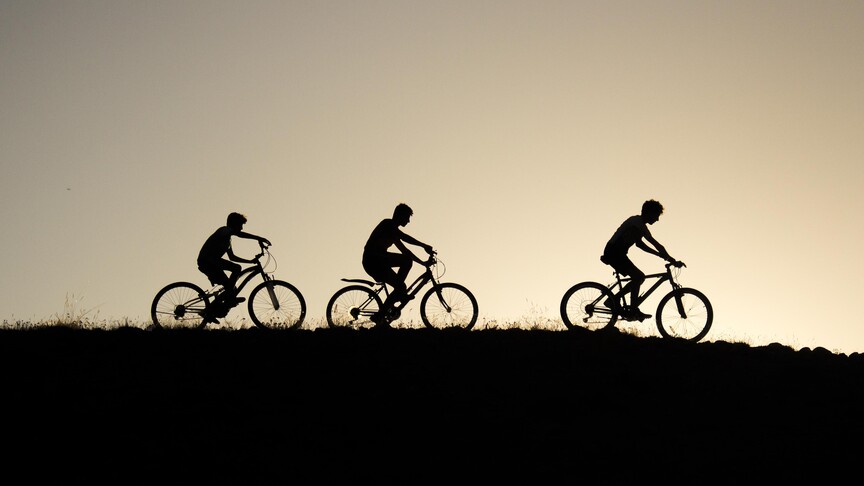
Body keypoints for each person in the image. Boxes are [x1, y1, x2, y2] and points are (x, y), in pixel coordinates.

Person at [601, 199, 680, 320]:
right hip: (614, 253)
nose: (657, 219)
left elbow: (640, 245)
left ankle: (618, 302)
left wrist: (661, 256)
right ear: (649, 213)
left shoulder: (639, 225)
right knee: (638, 277)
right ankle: (629, 308)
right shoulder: (637, 222)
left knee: (639, 277)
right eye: (656, 216)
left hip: (617, 253)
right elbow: (655, 244)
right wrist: (670, 259)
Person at [362, 203, 434, 327]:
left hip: (377, 260)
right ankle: (383, 312)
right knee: (405, 266)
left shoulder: (393, 231)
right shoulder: (388, 224)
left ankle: (397, 296)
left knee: (401, 283)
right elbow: (405, 242)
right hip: (373, 261)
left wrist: (423, 259)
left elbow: (405, 247)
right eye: (407, 217)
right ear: (399, 215)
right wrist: (423, 249)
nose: (408, 221)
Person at [197, 212, 271, 307]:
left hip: (213, 262)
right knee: (236, 271)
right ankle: (228, 298)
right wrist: (259, 238)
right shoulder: (223, 230)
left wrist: (250, 261)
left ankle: (217, 309)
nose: (241, 228)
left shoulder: (227, 240)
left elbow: (232, 257)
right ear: (234, 223)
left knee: (231, 288)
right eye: (240, 225)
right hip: (207, 261)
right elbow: (239, 234)